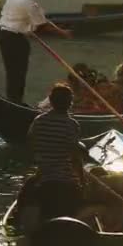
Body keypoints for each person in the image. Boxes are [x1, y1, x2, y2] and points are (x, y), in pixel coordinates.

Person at [0, 0, 72, 104]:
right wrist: (62, 32)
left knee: (11, 71)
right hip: (16, 40)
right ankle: (17, 101)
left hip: (4, 36)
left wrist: (28, 27)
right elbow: (43, 24)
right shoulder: (31, 4)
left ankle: (12, 100)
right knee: (19, 72)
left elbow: (15, 16)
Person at [27, 83, 83, 219]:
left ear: (51, 102)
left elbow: (32, 144)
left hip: (43, 177)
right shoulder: (71, 125)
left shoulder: (38, 121)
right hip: (66, 181)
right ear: (70, 104)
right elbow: (75, 157)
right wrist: (82, 179)